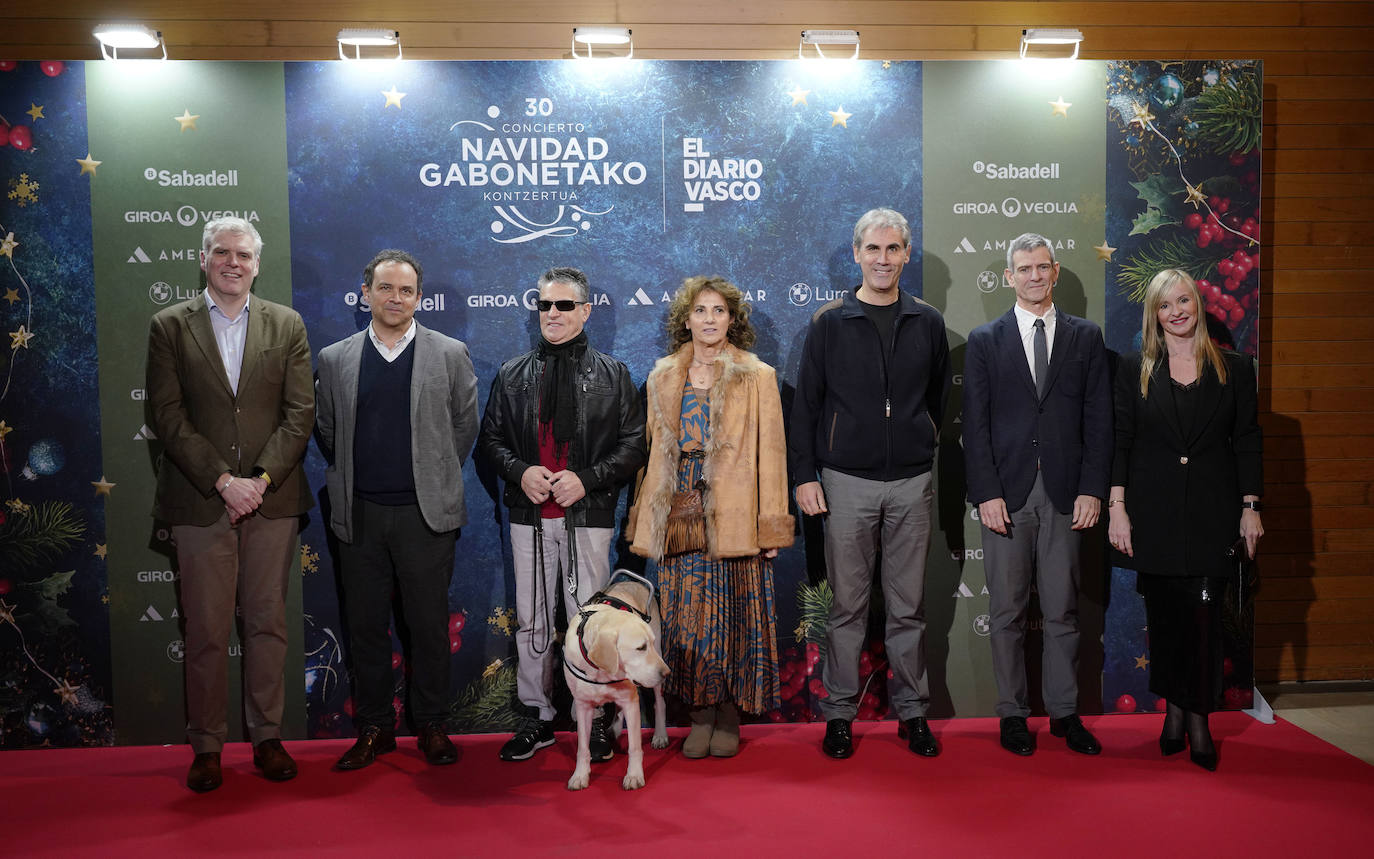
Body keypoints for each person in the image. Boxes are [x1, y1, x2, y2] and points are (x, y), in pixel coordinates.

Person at [146, 216, 314, 792]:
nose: (233, 263)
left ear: (256, 264)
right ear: (204, 259)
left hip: (272, 501)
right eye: (222, 253)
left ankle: (267, 737)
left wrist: (259, 479)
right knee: (207, 630)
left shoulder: (287, 324)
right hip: (201, 501)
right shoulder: (169, 325)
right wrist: (224, 480)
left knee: (268, 624)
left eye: (243, 255)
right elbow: (166, 416)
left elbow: (300, 414)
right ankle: (207, 746)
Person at [789, 208, 951, 760]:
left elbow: (936, 402)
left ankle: (913, 713)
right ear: (856, 254)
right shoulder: (829, 322)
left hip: (910, 481)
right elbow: (807, 405)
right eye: (873, 249)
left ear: (907, 254)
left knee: (908, 607)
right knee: (848, 609)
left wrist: (920, 442)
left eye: (894, 249)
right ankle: (839, 715)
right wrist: (805, 476)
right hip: (844, 481)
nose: (883, 260)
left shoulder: (927, 322)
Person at [315, 250, 479, 771]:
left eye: (406, 291)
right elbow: (327, 430)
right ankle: (374, 728)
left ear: (418, 298)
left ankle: (430, 724)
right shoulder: (335, 358)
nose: (395, 298)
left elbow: (463, 428)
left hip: (423, 516)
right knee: (364, 626)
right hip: (359, 514)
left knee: (428, 626)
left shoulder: (450, 353)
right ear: (365, 293)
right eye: (385, 288)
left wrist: (429, 474)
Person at [478, 267, 647, 763]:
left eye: (564, 305)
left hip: (587, 516)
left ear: (585, 311)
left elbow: (634, 445)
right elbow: (490, 440)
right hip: (527, 516)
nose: (552, 313)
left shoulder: (614, 374)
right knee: (531, 621)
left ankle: (594, 720)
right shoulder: (511, 373)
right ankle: (537, 717)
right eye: (545, 305)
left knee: (588, 623)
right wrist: (520, 471)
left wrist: (588, 478)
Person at [626, 276, 793, 758]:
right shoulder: (661, 376)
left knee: (736, 616)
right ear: (686, 319)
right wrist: (646, 518)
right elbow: (653, 454)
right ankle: (699, 714)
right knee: (687, 619)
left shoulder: (756, 375)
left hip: (736, 515)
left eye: (719, 311)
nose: (709, 319)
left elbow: (773, 455)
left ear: (732, 319)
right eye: (701, 310)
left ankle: (728, 717)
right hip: (680, 515)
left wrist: (771, 524)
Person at [962, 232, 1111, 758]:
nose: (1033, 276)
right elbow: (973, 428)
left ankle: (1065, 714)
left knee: (1064, 611)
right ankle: (1012, 715)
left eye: (1041, 267)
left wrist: (1094, 488)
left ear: (1056, 271)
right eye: (1022, 268)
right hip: (1006, 494)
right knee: (1005, 611)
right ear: (1009, 276)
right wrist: (985, 493)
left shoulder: (1085, 337)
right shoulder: (984, 340)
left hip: (1068, 494)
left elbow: (1099, 420)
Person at [1107, 268, 1263, 772]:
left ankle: (1198, 721)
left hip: (1213, 517)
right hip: (1153, 517)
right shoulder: (1134, 369)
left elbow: (1247, 440)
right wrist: (1117, 508)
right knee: (1168, 621)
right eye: (1164, 305)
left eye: (1182, 302)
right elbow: (1122, 443)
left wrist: (1250, 507)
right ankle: (1173, 714)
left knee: (1203, 621)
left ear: (1196, 304)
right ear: (1154, 315)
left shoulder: (1235, 369)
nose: (1175, 313)